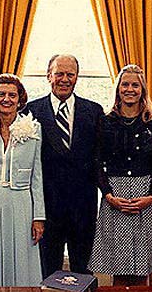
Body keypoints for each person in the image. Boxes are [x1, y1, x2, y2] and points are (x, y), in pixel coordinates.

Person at [88, 64, 152, 286]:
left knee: (143, 270)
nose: (129, 89)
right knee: (119, 269)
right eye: (125, 84)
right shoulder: (105, 120)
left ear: (142, 89)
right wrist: (108, 195)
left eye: (135, 85)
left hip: (146, 198)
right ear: (118, 88)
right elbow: (97, 161)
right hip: (115, 197)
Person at [26, 54, 104, 278]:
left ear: (77, 77)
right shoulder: (31, 111)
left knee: (83, 272)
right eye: (59, 73)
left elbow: (99, 158)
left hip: (83, 207)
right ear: (48, 75)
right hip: (47, 208)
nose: (64, 79)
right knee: (47, 272)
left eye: (70, 74)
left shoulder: (94, 111)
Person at [0, 74, 45, 286]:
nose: (6, 99)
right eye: (1, 94)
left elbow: (37, 176)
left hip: (21, 202)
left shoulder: (33, 129)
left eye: (12, 95)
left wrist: (38, 216)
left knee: (22, 256)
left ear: (20, 99)